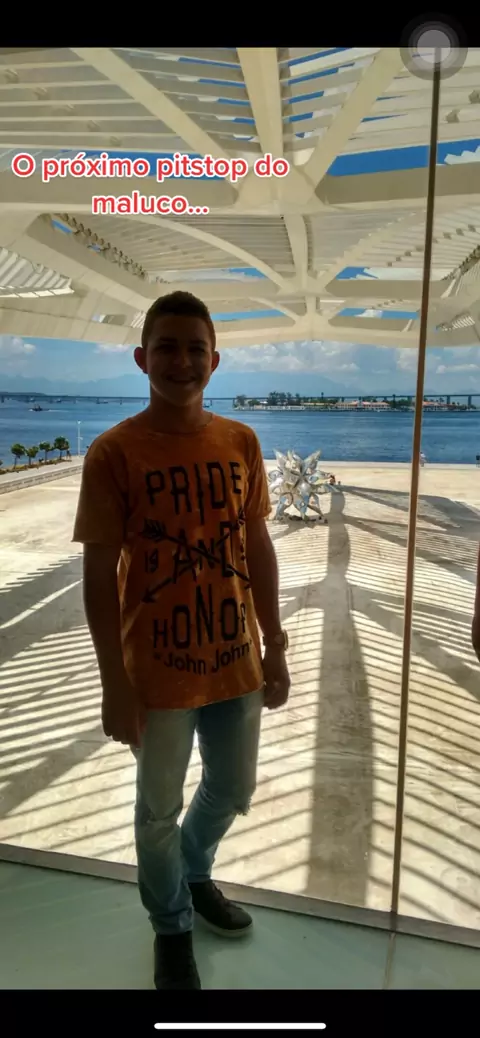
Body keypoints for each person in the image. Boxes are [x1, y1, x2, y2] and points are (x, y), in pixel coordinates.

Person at [72, 291, 291, 990]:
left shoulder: (240, 442)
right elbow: (98, 574)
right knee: (156, 809)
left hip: (236, 660)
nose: (182, 361)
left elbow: (258, 545)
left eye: (196, 348)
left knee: (233, 786)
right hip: (157, 668)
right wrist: (113, 682)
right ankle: (170, 926)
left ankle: (194, 874)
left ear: (214, 361)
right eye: (166, 347)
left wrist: (275, 643)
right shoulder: (114, 452)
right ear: (143, 358)